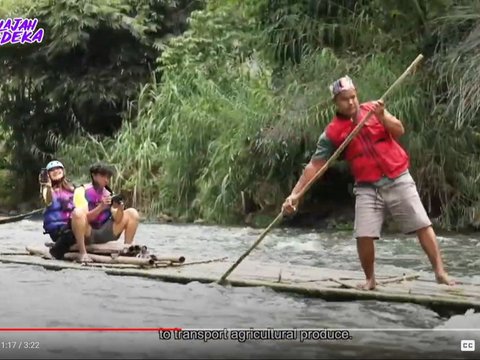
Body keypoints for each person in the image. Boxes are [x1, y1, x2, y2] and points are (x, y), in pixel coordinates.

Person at [281, 75, 454, 290]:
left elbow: (399, 130)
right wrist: (295, 195)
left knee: (422, 223)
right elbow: (315, 166)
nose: (351, 102)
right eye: (345, 99)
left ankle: (440, 272)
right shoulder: (332, 133)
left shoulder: (373, 109)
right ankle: (370, 279)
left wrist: (383, 117)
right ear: (336, 102)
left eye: (353, 97)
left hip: (397, 177)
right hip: (367, 186)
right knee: (363, 234)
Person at [71, 162, 140, 262]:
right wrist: (101, 207)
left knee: (132, 213)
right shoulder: (81, 191)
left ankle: (127, 249)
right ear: (94, 176)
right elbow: (84, 217)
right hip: (88, 231)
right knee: (77, 213)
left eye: (108, 177)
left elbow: (118, 219)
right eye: (103, 176)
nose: (106, 179)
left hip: (105, 231)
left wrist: (120, 209)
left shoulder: (108, 193)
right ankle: (83, 253)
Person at [39, 160, 77, 260]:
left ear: (63, 171)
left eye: (58, 168)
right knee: (70, 234)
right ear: (48, 175)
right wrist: (47, 185)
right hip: (58, 229)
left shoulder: (72, 189)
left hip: (73, 224)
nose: (55, 171)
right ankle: (54, 253)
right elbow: (47, 200)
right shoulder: (47, 190)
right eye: (52, 170)